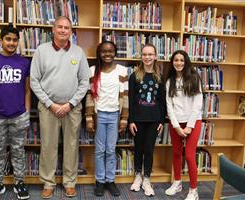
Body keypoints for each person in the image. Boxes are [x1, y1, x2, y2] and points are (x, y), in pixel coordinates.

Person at [30, 16, 89, 199]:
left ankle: (69, 182)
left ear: (71, 31)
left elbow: (84, 82)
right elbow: (34, 81)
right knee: (48, 146)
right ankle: (48, 182)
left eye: (67, 28)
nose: (63, 30)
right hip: (49, 108)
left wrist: (70, 104)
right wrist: (51, 104)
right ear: (53, 30)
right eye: (60, 27)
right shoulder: (41, 51)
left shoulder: (78, 52)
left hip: (72, 108)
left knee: (71, 146)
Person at [0, 25, 31, 200]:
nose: (11, 42)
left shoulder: (24, 63)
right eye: (8, 39)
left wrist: (26, 112)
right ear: (1, 40)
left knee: (18, 151)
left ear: (18, 42)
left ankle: (19, 182)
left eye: (15, 40)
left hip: (18, 115)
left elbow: (27, 91)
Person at [85, 41, 128, 197]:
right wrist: (89, 117)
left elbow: (126, 96)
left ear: (115, 53)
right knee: (99, 151)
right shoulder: (92, 71)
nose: (107, 54)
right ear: (99, 53)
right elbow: (90, 96)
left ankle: (110, 180)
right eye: (104, 51)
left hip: (115, 114)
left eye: (110, 51)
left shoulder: (122, 71)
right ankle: (100, 181)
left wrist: (124, 119)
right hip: (100, 115)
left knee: (110, 150)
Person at [128, 44, 166, 197]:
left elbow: (162, 102)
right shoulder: (135, 76)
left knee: (149, 149)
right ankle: (138, 175)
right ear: (141, 56)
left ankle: (147, 179)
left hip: (154, 120)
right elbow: (130, 100)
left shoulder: (159, 77)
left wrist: (161, 121)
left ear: (155, 56)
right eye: (144, 54)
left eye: (150, 54)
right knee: (138, 148)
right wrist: (131, 120)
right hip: (138, 120)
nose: (147, 57)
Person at [165, 50, 202, 200]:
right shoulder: (169, 81)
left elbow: (197, 104)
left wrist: (189, 126)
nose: (178, 63)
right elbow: (169, 106)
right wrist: (176, 126)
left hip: (193, 121)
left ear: (186, 62)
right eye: (176, 60)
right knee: (176, 153)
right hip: (176, 123)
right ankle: (177, 182)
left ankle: (194, 190)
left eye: (181, 60)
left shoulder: (194, 78)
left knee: (189, 155)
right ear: (172, 62)